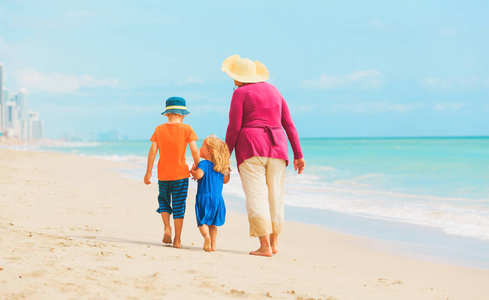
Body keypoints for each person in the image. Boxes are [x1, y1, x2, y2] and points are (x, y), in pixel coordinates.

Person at [221, 55, 306, 257]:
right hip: (278, 146)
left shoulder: (240, 93)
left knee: (256, 195)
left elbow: (234, 128)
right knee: (276, 195)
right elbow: (289, 124)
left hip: (250, 147)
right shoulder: (275, 91)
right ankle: (274, 243)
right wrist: (298, 154)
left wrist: (225, 158)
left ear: (240, 77)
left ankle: (264, 246)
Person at [144, 96, 200, 248]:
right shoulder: (187, 129)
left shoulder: (159, 129)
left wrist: (148, 173)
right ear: (183, 115)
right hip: (181, 175)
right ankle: (177, 240)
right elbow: (194, 150)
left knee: (163, 201)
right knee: (179, 205)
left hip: (163, 174)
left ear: (167, 114)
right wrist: (198, 166)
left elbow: (153, 151)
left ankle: (166, 227)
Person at [190, 135, 231, 252]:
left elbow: (199, 175)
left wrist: (193, 172)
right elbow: (225, 181)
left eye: (202, 146)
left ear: (209, 151)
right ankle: (213, 246)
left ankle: (206, 237)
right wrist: (227, 171)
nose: (200, 148)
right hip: (218, 199)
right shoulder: (220, 166)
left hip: (204, 197)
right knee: (213, 224)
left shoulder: (203, 164)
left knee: (202, 221)